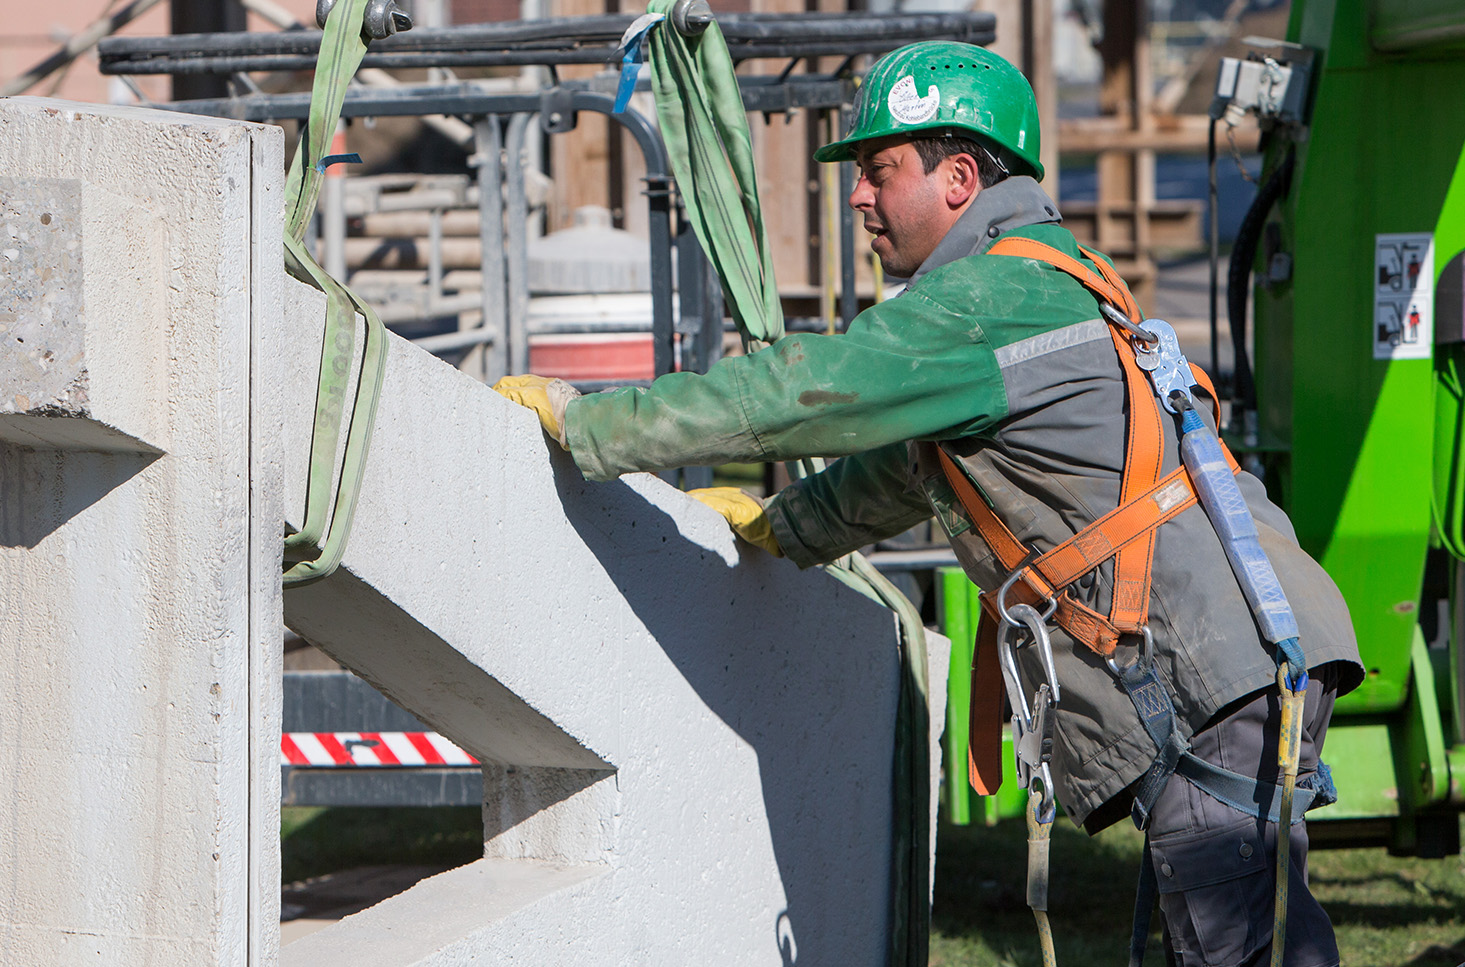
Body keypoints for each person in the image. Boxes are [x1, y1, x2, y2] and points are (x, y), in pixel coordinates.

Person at [494, 40, 1360, 966]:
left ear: (957, 176)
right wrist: (786, 526)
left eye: (878, 171)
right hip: (1243, 652)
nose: (858, 197)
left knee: (1244, 950)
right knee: (1261, 938)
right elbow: (912, 467)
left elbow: (805, 387)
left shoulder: (984, 298)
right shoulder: (1047, 273)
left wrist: (590, 426)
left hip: (1206, 669)